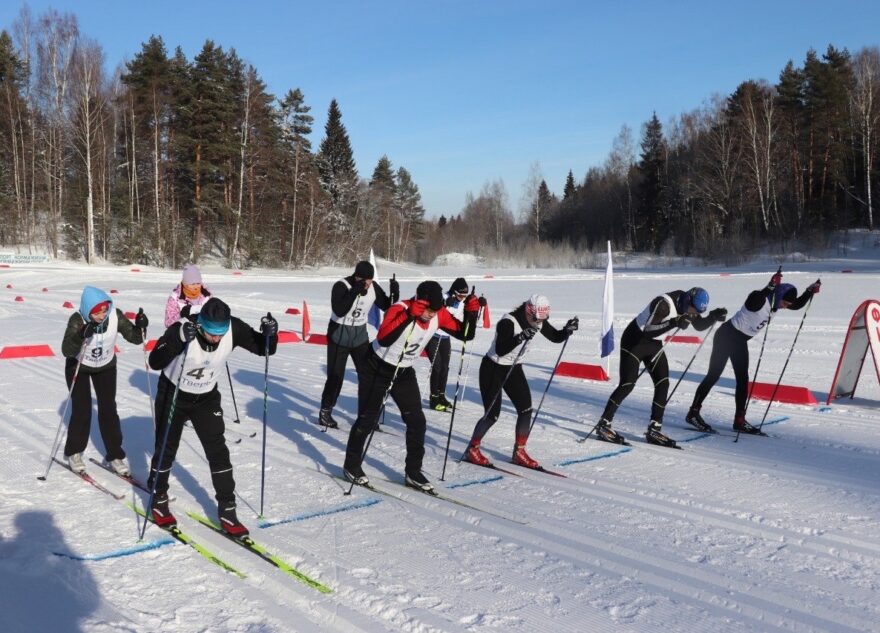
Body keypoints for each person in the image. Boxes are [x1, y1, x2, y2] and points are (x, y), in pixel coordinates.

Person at [147, 297, 278, 536]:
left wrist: (270, 333)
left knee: (218, 451)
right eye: (210, 333)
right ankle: (158, 496)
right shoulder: (183, 328)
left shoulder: (233, 328)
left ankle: (228, 509)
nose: (216, 338)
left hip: (205, 398)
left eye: (220, 333)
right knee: (166, 448)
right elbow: (154, 361)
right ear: (201, 325)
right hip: (174, 393)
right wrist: (177, 339)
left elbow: (264, 348)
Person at [343, 281, 480, 492]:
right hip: (377, 367)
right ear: (419, 301)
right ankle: (351, 466)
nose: (431, 315)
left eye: (435, 310)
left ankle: (413, 472)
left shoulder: (439, 313)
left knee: (417, 422)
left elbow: (466, 334)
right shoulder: (400, 308)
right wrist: (409, 316)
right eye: (428, 310)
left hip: (404, 371)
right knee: (367, 420)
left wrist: (472, 313)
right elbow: (385, 338)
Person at [686, 274, 820, 434]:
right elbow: (753, 298)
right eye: (785, 303)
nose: (785, 306)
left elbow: (797, 304)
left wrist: (810, 291)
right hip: (726, 336)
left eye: (786, 304)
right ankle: (693, 413)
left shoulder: (776, 301)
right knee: (714, 374)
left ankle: (739, 421)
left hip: (739, 341)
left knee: (743, 380)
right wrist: (769, 286)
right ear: (778, 295)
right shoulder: (760, 299)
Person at [593, 287, 726, 448]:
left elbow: (698, 325)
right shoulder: (664, 304)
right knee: (628, 383)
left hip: (654, 345)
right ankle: (604, 424)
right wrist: (673, 322)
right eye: (693, 309)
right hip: (635, 341)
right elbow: (649, 330)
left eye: (697, 311)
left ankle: (654, 429)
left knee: (663, 382)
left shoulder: (689, 306)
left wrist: (713, 317)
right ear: (687, 300)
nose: (693, 313)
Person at [462, 294, 578, 469]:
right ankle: (472, 449)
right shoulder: (508, 322)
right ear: (528, 310)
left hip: (514, 367)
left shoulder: (537, 319)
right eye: (535, 318)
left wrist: (566, 330)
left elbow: (555, 337)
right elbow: (501, 350)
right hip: (493, 368)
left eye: (541, 319)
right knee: (492, 415)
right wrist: (521, 337)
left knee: (525, 409)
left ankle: (519, 452)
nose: (538, 322)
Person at [60, 286, 148, 476]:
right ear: (87, 309)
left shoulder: (115, 315)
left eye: (104, 310)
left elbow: (134, 337)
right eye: (97, 311)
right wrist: (81, 334)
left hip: (105, 366)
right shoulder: (78, 319)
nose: (102, 315)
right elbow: (67, 350)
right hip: (79, 367)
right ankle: (74, 452)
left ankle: (115, 455)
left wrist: (141, 327)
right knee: (82, 410)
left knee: (108, 410)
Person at [318, 260, 399, 429]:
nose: (368, 285)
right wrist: (354, 291)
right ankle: (326, 411)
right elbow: (339, 310)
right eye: (365, 281)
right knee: (335, 377)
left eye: (370, 281)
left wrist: (394, 293)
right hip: (338, 336)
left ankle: (367, 415)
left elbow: (388, 307)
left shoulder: (373, 287)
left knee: (368, 376)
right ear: (357, 277)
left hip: (359, 337)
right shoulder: (341, 286)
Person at [425, 277, 486, 411]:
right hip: (433, 336)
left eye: (464, 295)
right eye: (459, 295)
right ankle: (433, 399)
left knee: (445, 368)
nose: (461, 298)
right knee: (437, 367)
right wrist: (445, 303)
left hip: (446, 337)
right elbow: (434, 306)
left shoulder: (463, 300)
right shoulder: (445, 296)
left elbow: (470, 308)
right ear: (454, 291)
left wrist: (479, 304)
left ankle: (441, 396)